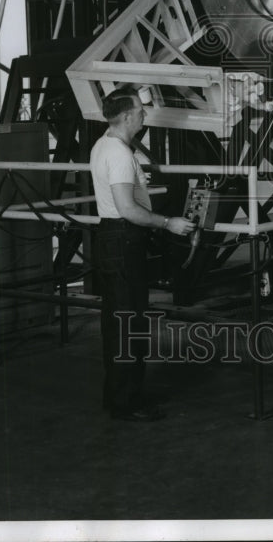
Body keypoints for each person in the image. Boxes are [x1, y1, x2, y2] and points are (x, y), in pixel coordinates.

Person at [90, 86, 195, 422]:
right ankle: (127, 403)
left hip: (112, 239)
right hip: (123, 239)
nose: (144, 114)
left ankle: (118, 395)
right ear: (125, 116)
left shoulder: (105, 145)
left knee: (118, 322)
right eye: (139, 109)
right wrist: (169, 223)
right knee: (128, 323)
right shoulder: (119, 155)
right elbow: (128, 209)